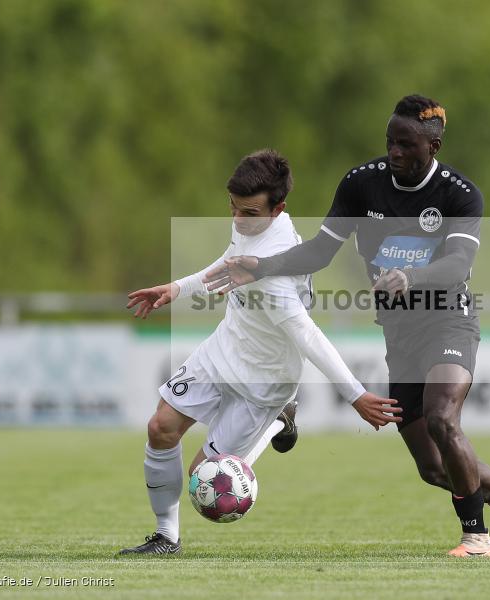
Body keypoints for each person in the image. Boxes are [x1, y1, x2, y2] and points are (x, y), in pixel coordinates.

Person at [203, 96, 490, 557]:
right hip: (400, 336)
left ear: (434, 144)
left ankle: (477, 539)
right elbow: (319, 252)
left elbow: (458, 262)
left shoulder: (459, 195)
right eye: (390, 141)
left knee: (445, 419)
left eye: (406, 144)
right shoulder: (361, 184)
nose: (395, 152)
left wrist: (411, 276)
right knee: (434, 467)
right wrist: (261, 266)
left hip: (449, 323)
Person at [119, 149, 401, 555]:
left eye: (248, 212)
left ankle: (278, 419)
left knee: (205, 478)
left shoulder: (276, 271)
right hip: (224, 348)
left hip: (265, 379)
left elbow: (308, 336)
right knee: (160, 427)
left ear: (278, 209)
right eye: (233, 207)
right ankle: (166, 537)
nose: (238, 219)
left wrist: (355, 395)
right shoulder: (254, 222)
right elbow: (228, 261)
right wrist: (177, 289)